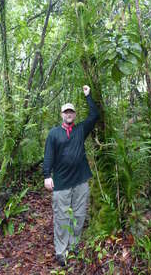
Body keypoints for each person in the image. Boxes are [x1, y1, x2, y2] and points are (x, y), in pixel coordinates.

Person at [43, 85, 99, 266]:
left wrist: (88, 95)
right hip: (61, 182)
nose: (69, 114)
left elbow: (94, 116)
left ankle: (74, 246)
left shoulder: (80, 130)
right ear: (61, 114)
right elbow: (48, 155)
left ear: (74, 115)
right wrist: (47, 175)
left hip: (81, 181)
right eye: (66, 112)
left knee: (80, 214)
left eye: (71, 112)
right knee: (61, 217)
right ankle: (61, 251)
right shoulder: (54, 133)